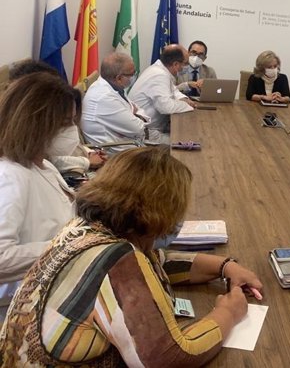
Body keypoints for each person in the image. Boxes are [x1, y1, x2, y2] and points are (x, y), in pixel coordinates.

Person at [0, 147, 263, 366]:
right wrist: (228, 312)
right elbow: (168, 358)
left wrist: (225, 266)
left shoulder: (84, 228)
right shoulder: (117, 259)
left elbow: (157, 263)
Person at [0, 73, 76, 317]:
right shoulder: (10, 177)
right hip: (20, 307)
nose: (72, 131)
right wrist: (68, 246)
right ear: (38, 124)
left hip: (52, 288)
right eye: (65, 123)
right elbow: (2, 258)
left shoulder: (43, 165)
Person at [82, 52, 149, 152]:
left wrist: (135, 115)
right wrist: (134, 114)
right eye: (132, 74)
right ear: (119, 78)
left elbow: (137, 110)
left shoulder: (114, 86)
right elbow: (139, 129)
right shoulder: (104, 97)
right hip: (116, 155)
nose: (134, 76)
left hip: (130, 143)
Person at [129, 44, 195, 143]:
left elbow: (173, 90)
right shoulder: (159, 75)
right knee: (185, 144)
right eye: (185, 63)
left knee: (188, 136)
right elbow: (166, 107)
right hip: (146, 134)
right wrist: (188, 106)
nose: (186, 67)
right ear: (176, 64)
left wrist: (183, 99)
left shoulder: (160, 70)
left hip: (154, 128)